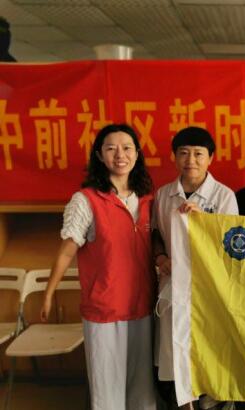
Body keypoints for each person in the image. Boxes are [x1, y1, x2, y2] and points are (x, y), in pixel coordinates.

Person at [40, 124, 157, 410]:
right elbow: (66, 251)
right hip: (105, 309)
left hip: (142, 307)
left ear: (137, 154)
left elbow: (158, 243)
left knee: (142, 391)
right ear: (99, 155)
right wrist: (49, 293)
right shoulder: (86, 200)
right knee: (107, 393)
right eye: (111, 148)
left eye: (127, 148)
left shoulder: (148, 199)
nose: (120, 155)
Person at [152, 126, 238, 410]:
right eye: (184, 153)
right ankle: (183, 404)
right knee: (175, 352)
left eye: (198, 154)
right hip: (173, 286)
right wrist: (161, 258)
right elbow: (155, 234)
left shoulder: (224, 196)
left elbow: (231, 245)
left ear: (210, 158)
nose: (191, 160)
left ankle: (210, 403)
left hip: (209, 288)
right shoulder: (164, 194)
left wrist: (205, 224)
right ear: (174, 157)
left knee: (208, 352)